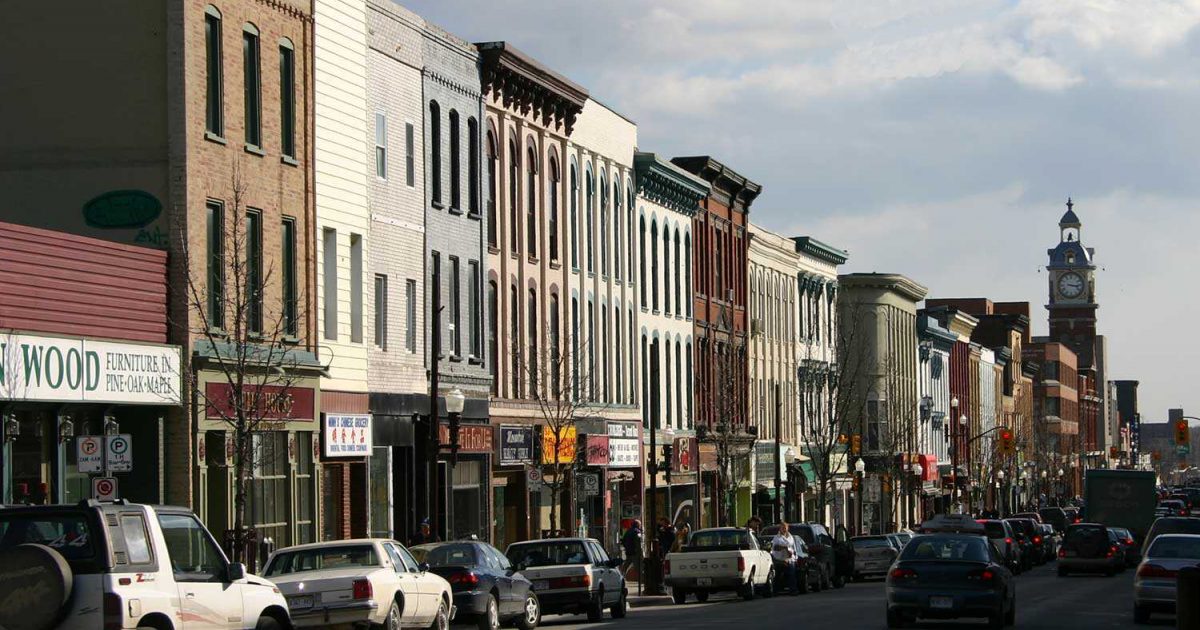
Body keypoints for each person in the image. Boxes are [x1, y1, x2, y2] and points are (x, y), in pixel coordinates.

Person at [770, 521, 799, 595]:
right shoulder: (776, 538)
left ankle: (793, 590)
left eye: (785, 528)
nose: (784, 529)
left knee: (792, 575)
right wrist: (785, 548)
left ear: (787, 528)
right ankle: (775, 591)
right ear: (780, 528)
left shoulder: (791, 537)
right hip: (779, 560)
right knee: (778, 576)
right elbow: (775, 548)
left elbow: (793, 548)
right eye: (782, 528)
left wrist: (794, 555)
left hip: (790, 559)